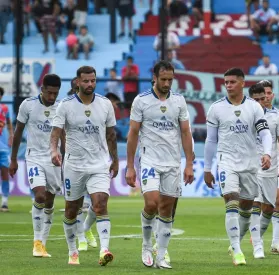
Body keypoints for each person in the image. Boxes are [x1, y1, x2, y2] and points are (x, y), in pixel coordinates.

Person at [125, 61, 194, 269]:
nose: (167, 83)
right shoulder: (141, 101)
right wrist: (130, 166)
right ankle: (146, 245)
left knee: (166, 209)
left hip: (172, 162)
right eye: (163, 79)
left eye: (170, 80)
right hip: (149, 160)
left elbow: (185, 132)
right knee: (152, 203)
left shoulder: (179, 101)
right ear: (154, 78)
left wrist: (189, 163)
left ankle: (161, 254)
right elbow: (133, 133)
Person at [204, 68, 273, 266]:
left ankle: (238, 242)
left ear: (242, 83)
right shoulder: (216, 108)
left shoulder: (254, 107)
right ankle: (236, 249)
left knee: (246, 207)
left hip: (250, 163)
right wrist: (207, 168)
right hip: (226, 161)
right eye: (226, 82)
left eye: (232, 82)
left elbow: (265, 133)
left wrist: (267, 153)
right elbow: (210, 140)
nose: (228, 85)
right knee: (231, 201)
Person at [50, 66, 118, 266]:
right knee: (71, 210)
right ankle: (73, 251)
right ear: (77, 82)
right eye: (86, 81)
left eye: (93, 81)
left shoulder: (105, 104)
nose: (90, 84)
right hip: (74, 166)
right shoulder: (65, 105)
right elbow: (55, 132)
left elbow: (111, 135)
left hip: (99, 164)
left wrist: (115, 159)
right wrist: (54, 151)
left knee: (100, 205)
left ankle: (104, 249)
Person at [8, 74, 61, 258]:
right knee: (40, 195)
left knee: (50, 201)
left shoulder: (61, 108)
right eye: (49, 93)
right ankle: (37, 242)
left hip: (55, 160)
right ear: (42, 89)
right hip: (34, 157)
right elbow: (18, 131)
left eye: (55, 93)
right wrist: (14, 159)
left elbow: (64, 135)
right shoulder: (28, 105)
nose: (52, 97)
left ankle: (43, 244)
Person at [247, 83, 279, 259]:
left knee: (271, 206)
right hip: (252, 166)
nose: (265, 99)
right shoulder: (246, 115)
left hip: (272, 165)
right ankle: (258, 245)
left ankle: (259, 238)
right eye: (260, 97)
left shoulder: (278, 116)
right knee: (255, 203)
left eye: (266, 95)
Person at [0, 87, 13, 212]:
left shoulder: (4, 109)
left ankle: (4, 202)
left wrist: (11, 135)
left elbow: (9, 123)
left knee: (5, 174)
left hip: (3, 147)